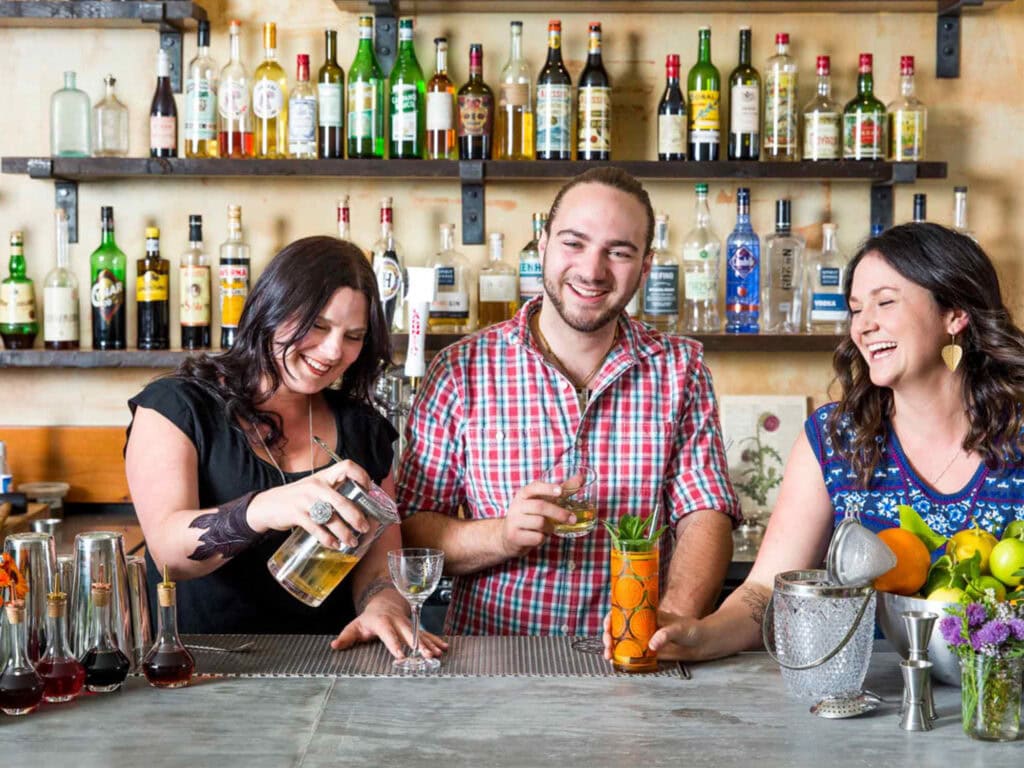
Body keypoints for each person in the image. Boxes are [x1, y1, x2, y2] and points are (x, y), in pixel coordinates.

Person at [642, 222, 1024, 662]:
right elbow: (765, 591)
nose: (864, 326)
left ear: (955, 313)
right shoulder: (836, 439)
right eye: (856, 309)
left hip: (1000, 703)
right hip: (870, 700)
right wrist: (702, 636)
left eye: (885, 302)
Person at [397, 167, 741, 637]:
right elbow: (412, 530)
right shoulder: (461, 369)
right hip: (494, 665)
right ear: (542, 245)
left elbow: (706, 512)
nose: (592, 270)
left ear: (645, 267)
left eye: (618, 252)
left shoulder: (679, 369)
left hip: (633, 658)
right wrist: (501, 534)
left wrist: (673, 618)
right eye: (574, 243)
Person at [125, 236, 445, 660]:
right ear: (270, 307)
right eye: (317, 326)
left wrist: (382, 605)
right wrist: (268, 507)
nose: (333, 352)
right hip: (198, 667)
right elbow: (169, 551)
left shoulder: (364, 429)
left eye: (353, 336)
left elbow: (379, 563)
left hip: (331, 665)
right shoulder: (179, 407)